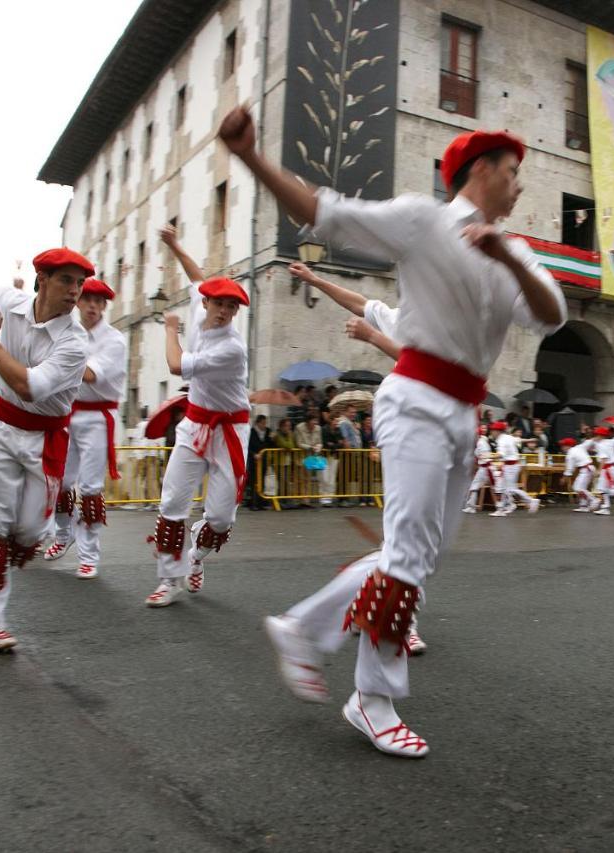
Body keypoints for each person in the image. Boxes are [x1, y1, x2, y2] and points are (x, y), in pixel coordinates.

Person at [216, 103, 566, 756]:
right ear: (481, 169)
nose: (520, 185)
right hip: (415, 400)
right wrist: (250, 156)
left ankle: (301, 626)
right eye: (513, 171)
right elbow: (323, 210)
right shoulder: (423, 221)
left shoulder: (512, 250)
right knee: (406, 556)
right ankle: (372, 700)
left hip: (463, 414)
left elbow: (552, 314)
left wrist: (510, 260)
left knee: (419, 558)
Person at [0, 258, 91, 650]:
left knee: (31, 532)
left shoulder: (75, 341)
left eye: (79, 283)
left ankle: (9, 555)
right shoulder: (13, 300)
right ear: (42, 280)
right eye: (66, 281)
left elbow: (30, 387)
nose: (74, 291)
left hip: (43, 438)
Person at [147, 226, 253, 607]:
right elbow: (196, 276)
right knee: (171, 502)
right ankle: (167, 580)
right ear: (206, 304)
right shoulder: (199, 304)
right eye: (219, 304)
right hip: (194, 424)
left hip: (230, 430)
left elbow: (176, 365)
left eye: (232, 306)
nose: (224, 311)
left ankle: (195, 556)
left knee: (221, 518)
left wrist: (170, 330)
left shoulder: (232, 348)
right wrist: (175, 244)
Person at [43, 278, 127, 579]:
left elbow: (91, 375)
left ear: (104, 306)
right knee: (60, 482)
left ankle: (89, 554)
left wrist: (54, 364)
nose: (92, 306)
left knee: (90, 488)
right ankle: (63, 535)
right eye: (86, 300)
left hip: (96, 419)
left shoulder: (114, 340)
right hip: (68, 414)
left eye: (97, 301)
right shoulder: (67, 332)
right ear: (78, 302)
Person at [490, 420, 540, 517]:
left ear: (498, 431)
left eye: (493, 430)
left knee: (510, 489)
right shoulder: (507, 437)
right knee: (501, 487)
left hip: (510, 467)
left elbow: (501, 454)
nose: (492, 432)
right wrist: (529, 440)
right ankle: (505, 507)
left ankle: (531, 500)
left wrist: (488, 456)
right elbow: (518, 440)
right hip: (511, 466)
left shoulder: (501, 440)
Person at [463, 424, 496, 514]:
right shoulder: (480, 442)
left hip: (486, 468)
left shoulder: (481, 443)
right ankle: (471, 506)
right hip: (484, 467)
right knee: (474, 486)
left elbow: (483, 456)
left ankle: (505, 505)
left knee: (498, 487)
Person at [560, 436, 597, 512]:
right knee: (580, 488)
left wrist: (564, 478)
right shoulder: (580, 447)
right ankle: (583, 506)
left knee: (578, 488)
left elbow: (569, 469)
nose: (562, 447)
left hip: (586, 469)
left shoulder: (570, 453)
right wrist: (596, 437)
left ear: (568, 446)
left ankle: (594, 500)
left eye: (563, 445)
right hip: (589, 468)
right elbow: (589, 441)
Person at [247, 414, 273, 510]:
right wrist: (254, 454)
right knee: (254, 481)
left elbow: (269, 444)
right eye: (262, 423)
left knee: (262, 481)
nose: (264, 425)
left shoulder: (268, 432)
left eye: (265, 423)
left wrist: (271, 439)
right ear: (257, 423)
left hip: (263, 460)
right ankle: (253, 503)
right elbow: (248, 446)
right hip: (254, 460)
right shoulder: (251, 432)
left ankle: (261, 503)